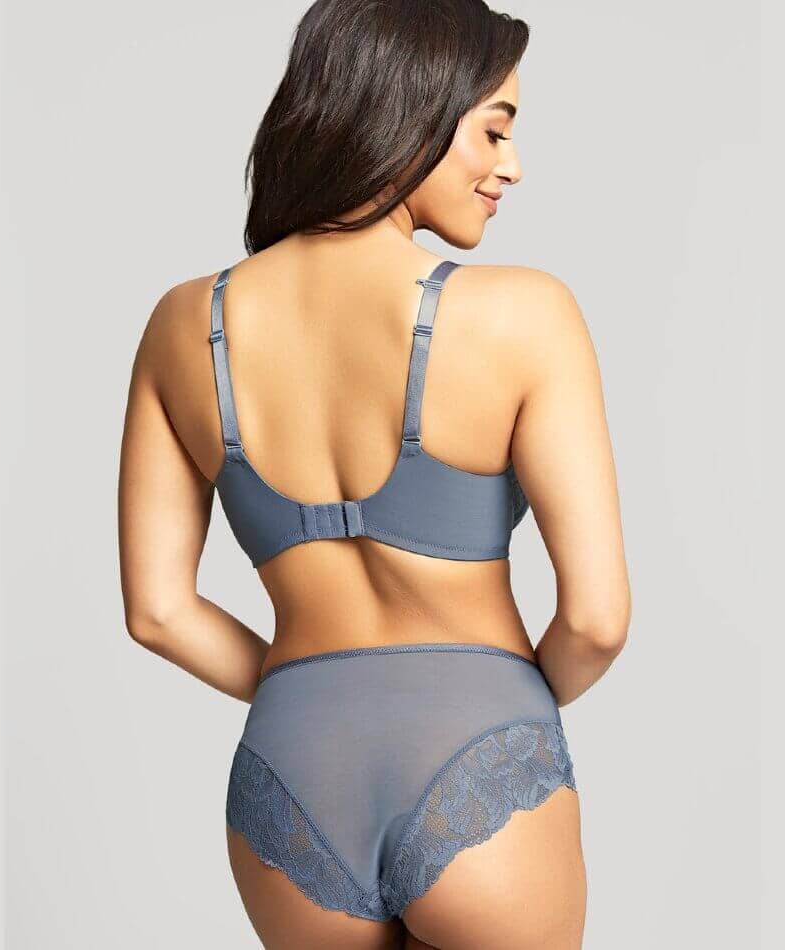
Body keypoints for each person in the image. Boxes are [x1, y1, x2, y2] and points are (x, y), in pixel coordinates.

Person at [118, 1, 631, 947]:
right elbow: (597, 622)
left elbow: (156, 612)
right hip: (477, 744)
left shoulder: (182, 324)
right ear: (412, 109)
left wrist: (308, 689)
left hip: (290, 770)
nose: (512, 166)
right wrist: (496, 704)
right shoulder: (526, 314)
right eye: (494, 131)